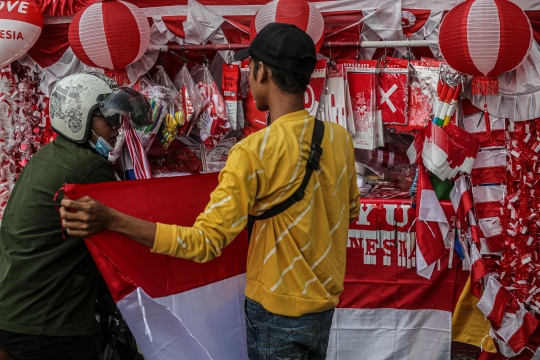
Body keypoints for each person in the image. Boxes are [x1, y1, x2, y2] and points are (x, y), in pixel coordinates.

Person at [61, 23, 361, 360]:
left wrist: (112, 219)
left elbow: (202, 244)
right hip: (322, 309)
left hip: (277, 313)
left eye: (251, 67)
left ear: (262, 71)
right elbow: (349, 211)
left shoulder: (253, 152)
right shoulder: (338, 138)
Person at [0, 72, 134, 360]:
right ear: (78, 118)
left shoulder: (49, 154)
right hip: (47, 319)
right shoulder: (88, 168)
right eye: (109, 118)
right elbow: (124, 232)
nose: (116, 127)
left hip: (15, 307)